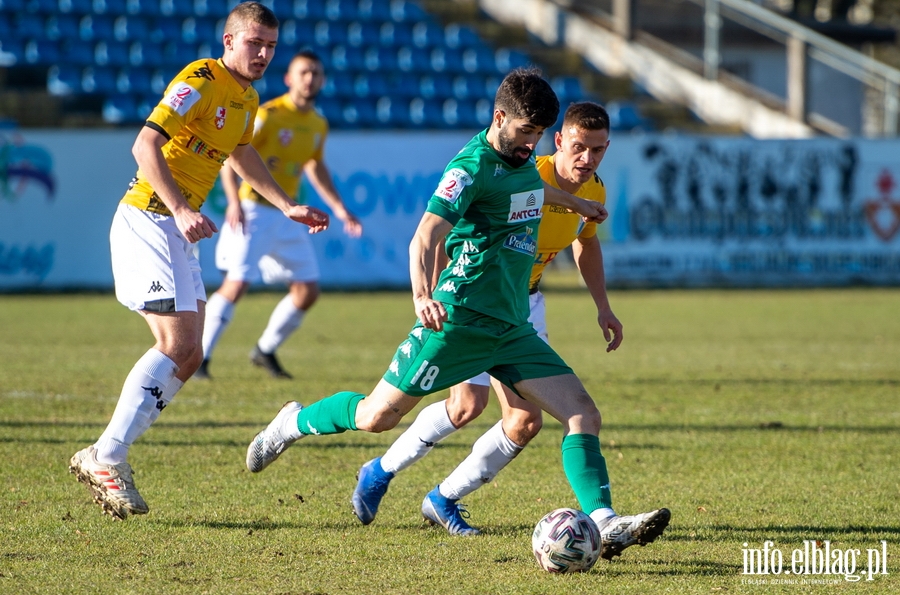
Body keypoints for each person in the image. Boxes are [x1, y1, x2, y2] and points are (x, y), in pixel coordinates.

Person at [246, 68, 670, 559]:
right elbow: (424, 234)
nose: (531, 144)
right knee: (375, 416)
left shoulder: (521, 161)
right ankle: (293, 422)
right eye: (526, 132)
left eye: (537, 134)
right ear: (500, 118)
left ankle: (605, 521)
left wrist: (575, 203)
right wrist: (422, 295)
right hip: (458, 318)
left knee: (582, 413)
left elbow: (531, 192)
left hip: (512, 326)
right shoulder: (468, 169)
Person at [67, 2, 330, 520]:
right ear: (228, 40)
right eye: (254, 43)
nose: (263, 54)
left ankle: (106, 452)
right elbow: (144, 145)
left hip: (174, 227)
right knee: (179, 344)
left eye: (271, 46)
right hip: (149, 217)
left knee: (189, 354)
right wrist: (184, 207)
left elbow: (241, 151)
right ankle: (108, 455)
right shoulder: (202, 77)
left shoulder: (247, 96)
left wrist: (286, 204)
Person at [350, 102, 636, 558]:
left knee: (523, 422)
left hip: (525, 306)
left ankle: (443, 498)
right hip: (475, 302)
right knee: (466, 405)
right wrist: (440, 293)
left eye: (598, 150)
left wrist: (603, 306)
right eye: (579, 147)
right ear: (558, 141)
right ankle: (381, 472)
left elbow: (585, 243)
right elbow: (452, 227)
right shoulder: (524, 170)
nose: (588, 159)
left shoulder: (593, 187)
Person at [197, 50, 362, 380]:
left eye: (315, 72)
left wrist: (340, 209)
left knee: (307, 290)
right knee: (237, 282)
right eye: (303, 72)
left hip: (288, 216)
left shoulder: (317, 124)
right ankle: (200, 358)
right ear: (289, 79)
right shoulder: (269, 115)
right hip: (253, 209)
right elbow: (234, 154)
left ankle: (265, 349)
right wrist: (233, 201)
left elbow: (315, 166)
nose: (310, 78)